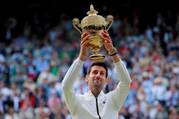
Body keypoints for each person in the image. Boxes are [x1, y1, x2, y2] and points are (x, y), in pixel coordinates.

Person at [62, 30, 132, 119]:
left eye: (102, 73)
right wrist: (81, 58)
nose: (98, 75)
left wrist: (112, 52)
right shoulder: (77, 101)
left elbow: (126, 82)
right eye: (95, 72)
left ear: (106, 80)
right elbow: (66, 86)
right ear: (86, 78)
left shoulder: (113, 99)